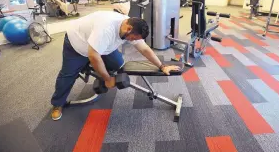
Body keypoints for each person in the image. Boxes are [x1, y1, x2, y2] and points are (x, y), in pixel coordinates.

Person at [51, 10, 181, 120]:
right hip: (78, 43)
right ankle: (58, 103)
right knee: (68, 74)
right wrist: (107, 79)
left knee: (119, 65)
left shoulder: (131, 25)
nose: (133, 41)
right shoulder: (106, 29)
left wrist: (162, 66)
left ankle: (101, 71)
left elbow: (144, 49)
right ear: (128, 29)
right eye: (133, 38)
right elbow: (93, 55)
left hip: (104, 45)